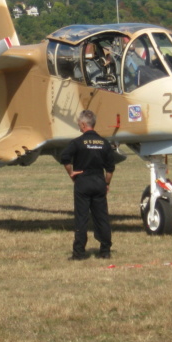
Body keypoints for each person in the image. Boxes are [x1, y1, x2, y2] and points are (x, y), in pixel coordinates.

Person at [60, 110, 116, 260]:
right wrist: (106, 183)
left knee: (81, 218)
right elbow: (110, 168)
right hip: (99, 182)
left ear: (84, 124)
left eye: (79, 124)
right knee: (102, 217)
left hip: (83, 182)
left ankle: (79, 253)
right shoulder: (104, 143)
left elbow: (64, 157)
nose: (79, 126)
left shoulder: (77, 142)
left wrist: (72, 173)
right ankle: (105, 251)